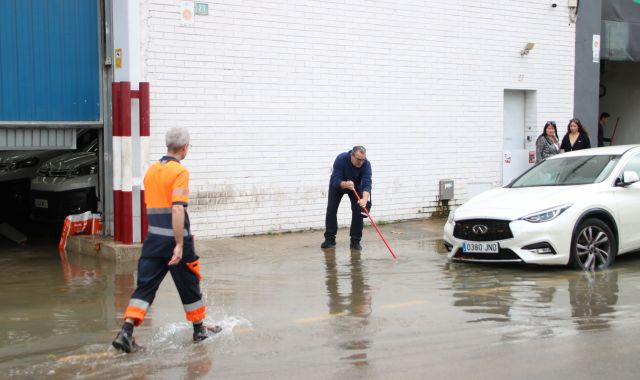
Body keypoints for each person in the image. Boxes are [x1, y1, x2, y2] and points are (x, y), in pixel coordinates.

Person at [112, 127, 220, 353]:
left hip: (153, 240)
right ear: (185, 148)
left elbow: (155, 206)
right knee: (189, 283)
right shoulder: (179, 172)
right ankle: (199, 330)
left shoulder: (151, 170)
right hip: (174, 241)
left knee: (145, 287)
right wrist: (180, 243)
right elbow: (177, 209)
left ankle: (126, 331)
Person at [321, 146, 372, 251]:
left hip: (355, 187)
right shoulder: (341, 159)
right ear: (351, 155)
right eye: (358, 159)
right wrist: (345, 184)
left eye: (363, 159)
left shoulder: (366, 164)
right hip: (338, 185)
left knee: (358, 211)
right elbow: (335, 181)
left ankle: (355, 241)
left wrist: (364, 199)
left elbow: (367, 183)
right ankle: (330, 239)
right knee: (331, 210)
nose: (361, 162)